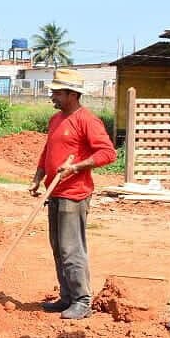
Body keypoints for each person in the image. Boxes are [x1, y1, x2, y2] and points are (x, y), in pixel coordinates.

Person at [29, 68, 117, 319]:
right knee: (58, 247)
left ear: (72, 94)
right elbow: (48, 150)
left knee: (71, 249)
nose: (52, 96)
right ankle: (67, 296)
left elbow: (108, 153)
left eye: (57, 93)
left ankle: (82, 300)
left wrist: (76, 167)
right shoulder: (55, 120)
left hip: (74, 194)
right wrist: (38, 177)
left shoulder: (87, 120)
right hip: (54, 192)